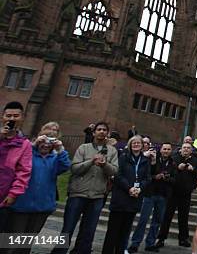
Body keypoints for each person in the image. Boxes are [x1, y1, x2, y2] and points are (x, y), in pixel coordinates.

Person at [51, 122, 118, 254]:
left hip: (97, 195)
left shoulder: (112, 151)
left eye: (104, 130)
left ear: (108, 134)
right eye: (99, 129)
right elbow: (75, 168)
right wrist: (91, 162)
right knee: (68, 228)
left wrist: (105, 165)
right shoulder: (83, 148)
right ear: (94, 133)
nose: (102, 132)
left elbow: (115, 171)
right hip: (78, 193)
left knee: (89, 230)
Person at [5, 125, 69, 254]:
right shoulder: (28, 155)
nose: (46, 145)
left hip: (42, 207)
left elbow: (65, 166)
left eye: (50, 141)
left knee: (27, 243)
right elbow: (16, 160)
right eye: (44, 140)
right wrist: (33, 145)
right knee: (12, 243)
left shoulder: (55, 159)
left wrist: (61, 149)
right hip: (21, 205)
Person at [102, 135, 151, 254]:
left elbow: (147, 178)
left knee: (125, 231)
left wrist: (140, 189)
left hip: (134, 200)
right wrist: (129, 188)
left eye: (138, 143)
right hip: (120, 198)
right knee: (113, 231)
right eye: (133, 143)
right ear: (130, 145)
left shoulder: (145, 161)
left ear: (142, 145)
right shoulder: (123, 157)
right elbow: (118, 175)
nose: (136, 145)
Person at [129, 142, 176, 253]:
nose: (166, 151)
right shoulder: (153, 159)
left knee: (157, 221)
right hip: (150, 193)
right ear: (161, 150)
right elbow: (147, 175)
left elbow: (175, 180)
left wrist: (166, 178)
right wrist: (156, 176)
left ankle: (150, 243)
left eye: (168, 149)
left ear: (171, 151)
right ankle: (135, 243)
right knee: (143, 219)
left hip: (163, 195)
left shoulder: (172, 163)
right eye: (164, 149)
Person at [156, 142, 197, 248]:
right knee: (167, 216)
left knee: (183, 217)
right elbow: (167, 172)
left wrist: (193, 170)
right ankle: (161, 238)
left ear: (191, 150)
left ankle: (183, 239)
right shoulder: (174, 159)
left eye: (188, 148)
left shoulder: (195, 161)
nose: (186, 149)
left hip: (186, 193)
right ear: (181, 149)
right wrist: (177, 168)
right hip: (172, 192)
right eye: (184, 147)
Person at [0, 101, 32, 232]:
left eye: (15, 116)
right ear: (2, 117)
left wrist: (14, 193)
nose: (11, 119)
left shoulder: (25, 144)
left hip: (3, 196)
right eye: (8, 115)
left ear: (22, 118)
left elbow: (24, 171)